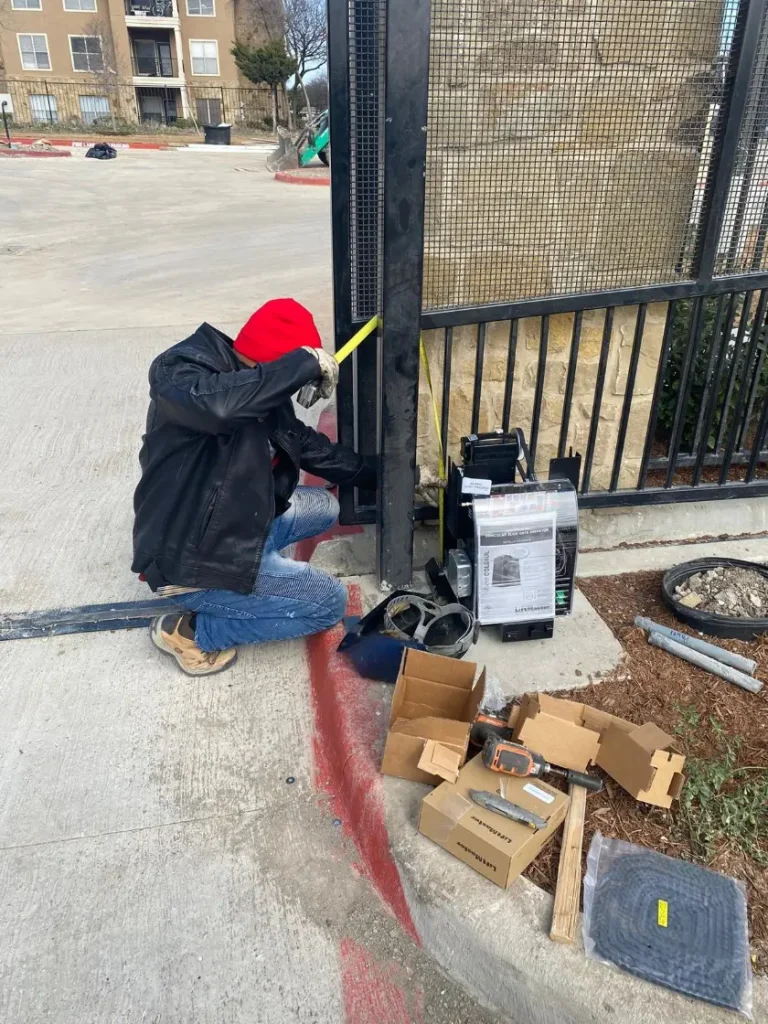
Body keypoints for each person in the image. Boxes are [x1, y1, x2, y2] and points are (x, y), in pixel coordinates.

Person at [132, 299, 377, 676]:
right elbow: (220, 408)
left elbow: (303, 442)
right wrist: (302, 365)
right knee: (329, 603)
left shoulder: (257, 387)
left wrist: (375, 473)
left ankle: (261, 578)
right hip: (191, 557)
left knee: (324, 508)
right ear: (278, 361)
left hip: (234, 527)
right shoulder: (181, 374)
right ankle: (194, 632)